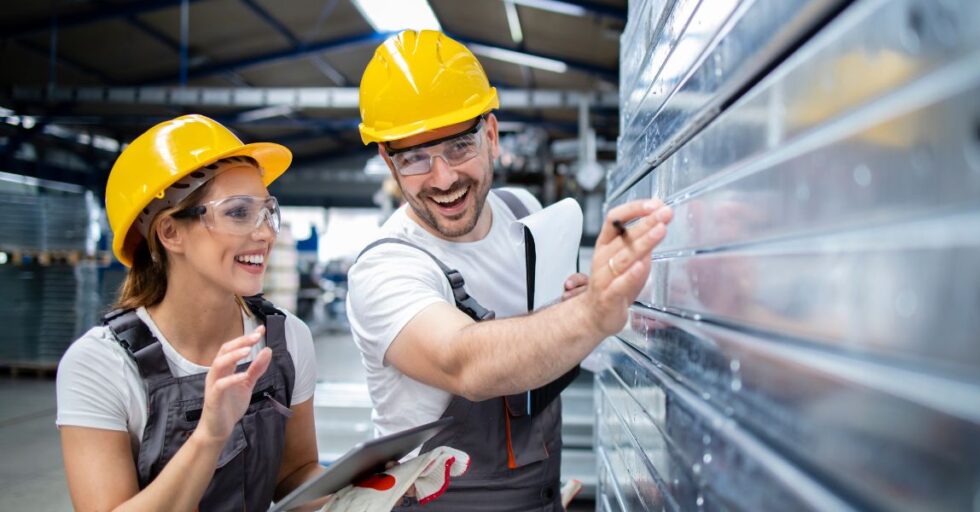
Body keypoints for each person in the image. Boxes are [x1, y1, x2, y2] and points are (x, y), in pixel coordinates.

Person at [347, 30, 674, 511]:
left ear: (492, 137)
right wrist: (594, 312)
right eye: (415, 158)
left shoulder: (523, 211)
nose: (443, 179)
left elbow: (552, 342)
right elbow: (466, 363)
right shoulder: (386, 267)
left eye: (459, 147)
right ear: (388, 164)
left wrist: (586, 306)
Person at [56, 114, 323, 511]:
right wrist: (210, 436)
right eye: (238, 212)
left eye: (267, 211)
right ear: (170, 233)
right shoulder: (99, 365)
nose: (266, 233)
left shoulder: (285, 339)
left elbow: (294, 474)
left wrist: (373, 488)